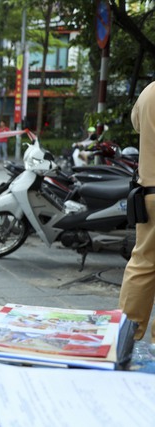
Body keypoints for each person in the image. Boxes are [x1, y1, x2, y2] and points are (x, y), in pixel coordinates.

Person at [119, 80, 155, 343]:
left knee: (143, 263)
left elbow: (136, 123)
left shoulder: (149, 91)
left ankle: (126, 336)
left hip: (150, 193)